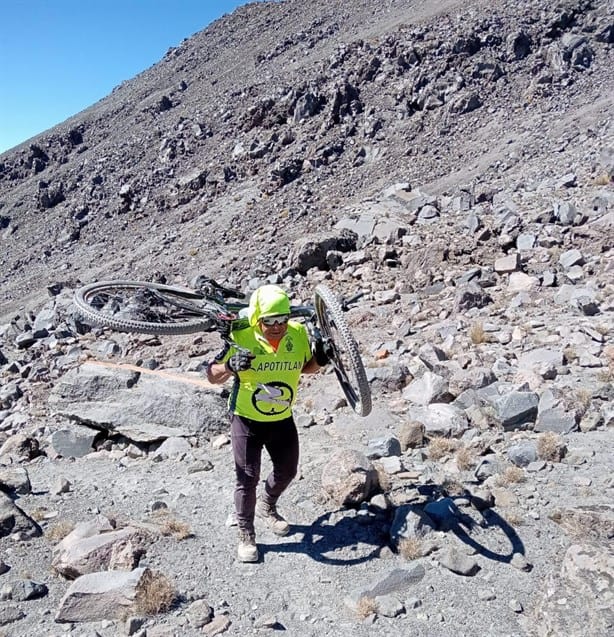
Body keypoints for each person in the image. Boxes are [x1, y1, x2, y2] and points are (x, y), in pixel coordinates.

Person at [206, 284, 329, 563]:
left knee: (288, 470)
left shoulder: (297, 334)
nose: (277, 327)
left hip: (281, 417)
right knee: (247, 478)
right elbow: (212, 376)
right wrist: (230, 366)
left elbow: (304, 366)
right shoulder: (240, 335)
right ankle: (246, 533)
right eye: (269, 321)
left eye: (282, 319)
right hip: (246, 418)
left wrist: (320, 359)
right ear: (257, 318)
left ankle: (267, 506)